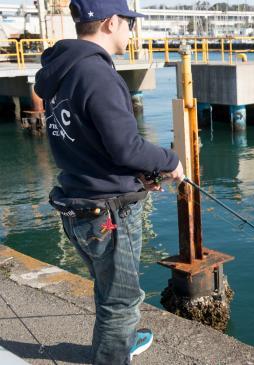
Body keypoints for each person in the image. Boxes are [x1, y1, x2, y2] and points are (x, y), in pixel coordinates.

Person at [34, 0, 184, 363]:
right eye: (129, 22)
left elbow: (90, 143)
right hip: (108, 215)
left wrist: (136, 177)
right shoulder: (97, 74)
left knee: (108, 288)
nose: (131, 30)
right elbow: (126, 147)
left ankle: (119, 343)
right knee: (121, 301)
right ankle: (113, 355)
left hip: (78, 203)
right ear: (111, 22)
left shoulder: (61, 71)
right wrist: (171, 161)